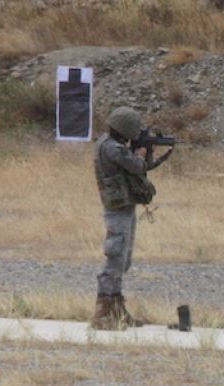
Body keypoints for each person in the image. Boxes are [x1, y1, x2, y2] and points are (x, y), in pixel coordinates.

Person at [91, 106, 166, 330]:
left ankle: (116, 307)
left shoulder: (109, 143)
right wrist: (142, 152)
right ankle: (103, 312)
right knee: (115, 258)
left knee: (123, 259)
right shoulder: (112, 148)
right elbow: (136, 166)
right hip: (117, 208)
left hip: (124, 206)